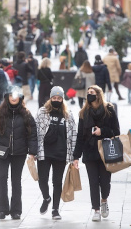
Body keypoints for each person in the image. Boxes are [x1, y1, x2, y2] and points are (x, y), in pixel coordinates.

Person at [0, 86, 38, 220]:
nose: (13, 97)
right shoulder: (0, 113)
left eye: (16, 95)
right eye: (11, 95)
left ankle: (16, 210)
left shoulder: (26, 114)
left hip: (19, 152)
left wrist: (32, 152)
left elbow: (32, 135)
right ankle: (2, 209)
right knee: (2, 179)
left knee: (16, 181)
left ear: (20, 98)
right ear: (7, 97)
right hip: (2, 150)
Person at [73, 85, 120, 222]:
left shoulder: (109, 110)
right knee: (93, 182)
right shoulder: (84, 112)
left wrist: (102, 131)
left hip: (106, 151)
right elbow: (80, 136)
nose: (89, 95)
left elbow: (116, 131)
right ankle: (96, 210)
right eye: (88, 93)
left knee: (105, 182)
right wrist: (76, 157)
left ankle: (104, 200)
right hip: (89, 151)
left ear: (98, 95)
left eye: (92, 92)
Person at [35, 86, 77, 220]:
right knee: (42, 179)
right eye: (54, 98)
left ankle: (55, 209)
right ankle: (46, 198)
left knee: (57, 182)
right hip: (44, 152)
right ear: (50, 98)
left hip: (61, 153)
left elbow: (73, 134)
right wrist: (33, 151)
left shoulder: (68, 114)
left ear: (62, 99)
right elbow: (35, 132)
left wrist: (74, 156)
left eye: (59, 98)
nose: (56, 100)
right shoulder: (42, 112)